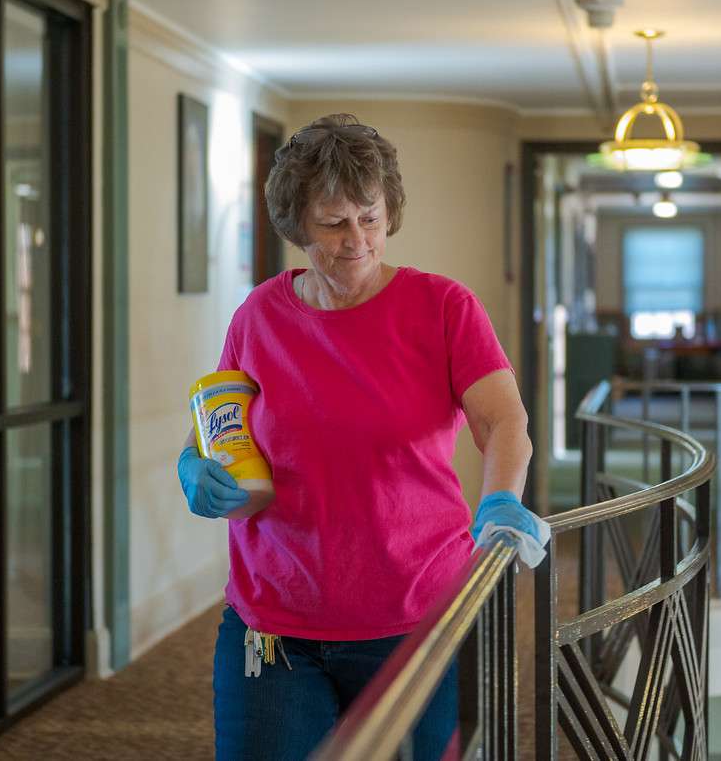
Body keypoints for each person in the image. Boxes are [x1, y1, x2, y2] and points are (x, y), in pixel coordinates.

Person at [176, 113, 547, 761]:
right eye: (334, 222)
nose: (357, 240)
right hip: (274, 624)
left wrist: (501, 498)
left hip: (416, 619)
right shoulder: (259, 315)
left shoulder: (442, 307)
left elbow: (502, 419)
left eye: (369, 218)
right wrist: (192, 467)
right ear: (296, 225)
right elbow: (214, 422)